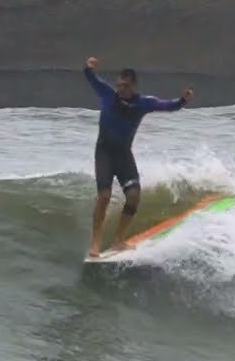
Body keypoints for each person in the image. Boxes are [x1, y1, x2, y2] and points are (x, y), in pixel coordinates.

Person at [83, 56, 193, 257]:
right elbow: (92, 79)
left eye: (124, 85)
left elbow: (168, 106)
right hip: (104, 154)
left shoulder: (143, 103)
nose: (120, 89)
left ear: (133, 85)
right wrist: (89, 68)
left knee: (134, 197)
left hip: (124, 155)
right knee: (104, 196)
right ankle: (96, 242)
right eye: (118, 85)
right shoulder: (108, 95)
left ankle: (118, 240)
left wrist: (182, 100)